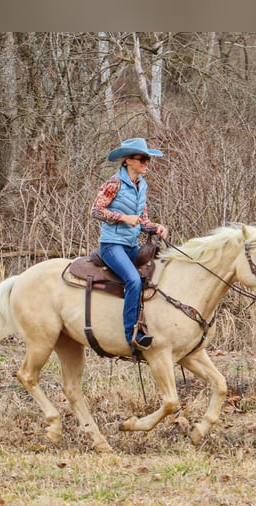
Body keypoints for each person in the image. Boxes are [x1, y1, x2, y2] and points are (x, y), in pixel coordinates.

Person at [90, 137, 169, 352]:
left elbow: (141, 220)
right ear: (128, 161)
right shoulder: (114, 183)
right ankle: (131, 335)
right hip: (112, 245)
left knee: (158, 272)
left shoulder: (142, 186)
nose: (146, 162)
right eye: (142, 158)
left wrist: (156, 227)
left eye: (148, 159)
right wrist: (123, 218)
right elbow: (95, 210)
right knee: (133, 280)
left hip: (131, 245)